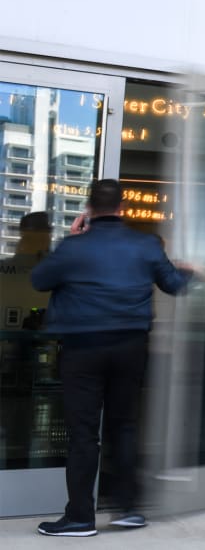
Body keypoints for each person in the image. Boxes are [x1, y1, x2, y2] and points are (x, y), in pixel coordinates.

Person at [30, 179, 194, 537]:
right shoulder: (146, 244)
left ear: (88, 210)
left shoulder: (74, 246)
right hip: (131, 348)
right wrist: (191, 271)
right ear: (122, 208)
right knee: (125, 426)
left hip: (83, 349)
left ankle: (80, 518)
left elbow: (39, 280)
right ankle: (128, 509)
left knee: (84, 434)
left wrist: (72, 240)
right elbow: (174, 284)